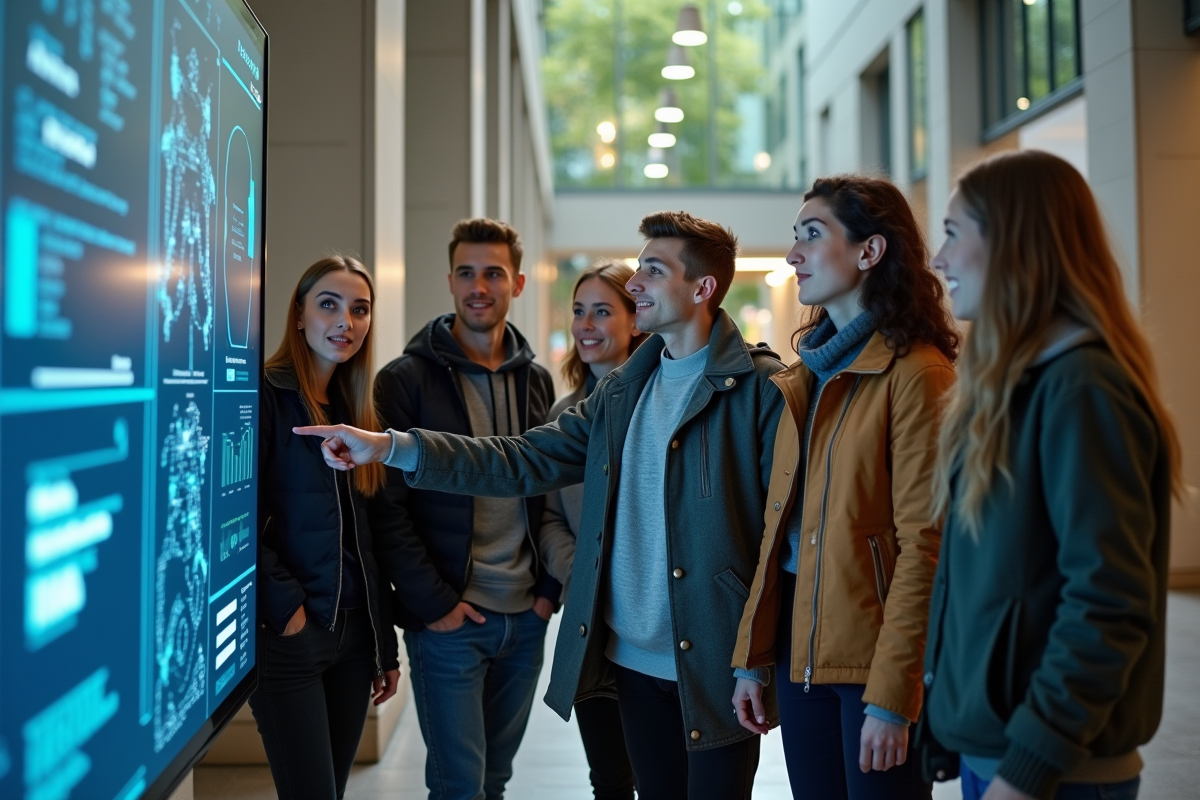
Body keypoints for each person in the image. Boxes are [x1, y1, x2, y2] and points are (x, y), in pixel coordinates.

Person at [298, 211, 788, 800]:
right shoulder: (619, 393)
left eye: (652, 272)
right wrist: (393, 446)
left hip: (714, 664)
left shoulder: (759, 389)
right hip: (628, 662)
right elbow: (517, 459)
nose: (634, 285)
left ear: (702, 288)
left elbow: (779, 539)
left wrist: (754, 660)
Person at [917, 150, 1184, 800]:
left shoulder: (1083, 388)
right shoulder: (1016, 385)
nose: (938, 259)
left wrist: (1028, 767)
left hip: (1051, 771)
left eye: (953, 233)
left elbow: (1106, 603)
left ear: (1013, 240)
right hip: (1004, 753)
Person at [731, 176, 957, 800]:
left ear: (870, 252)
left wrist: (893, 695)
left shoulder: (919, 375)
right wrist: (756, 655)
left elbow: (925, 546)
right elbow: (782, 532)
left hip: (875, 669)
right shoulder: (805, 378)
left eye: (811, 234)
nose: (792, 255)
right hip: (802, 660)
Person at [368, 218, 561, 800]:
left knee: (494, 781)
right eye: (468, 273)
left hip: (525, 619)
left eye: (494, 273)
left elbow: (552, 490)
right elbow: (387, 507)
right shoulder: (404, 381)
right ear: (450, 281)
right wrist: (435, 605)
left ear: (518, 283)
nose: (480, 286)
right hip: (451, 619)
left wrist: (547, 593)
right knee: (458, 786)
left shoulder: (537, 382)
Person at [251, 255, 401, 800]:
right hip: (290, 635)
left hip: (353, 636)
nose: (346, 322)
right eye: (329, 305)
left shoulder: (356, 411)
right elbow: (234, 519)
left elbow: (366, 540)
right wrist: (285, 610)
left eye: (360, 310)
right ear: (298, 315)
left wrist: (383, 646)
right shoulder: (262, 395)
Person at [539, 259, 644, 800]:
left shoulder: (659, 404)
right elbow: (551, 517)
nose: (585, 325)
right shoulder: (564, 413)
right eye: (579, 311)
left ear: (636, 320)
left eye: (602, 312)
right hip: (590, 626)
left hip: (653, 626)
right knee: (608, 778)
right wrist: (581, 569)